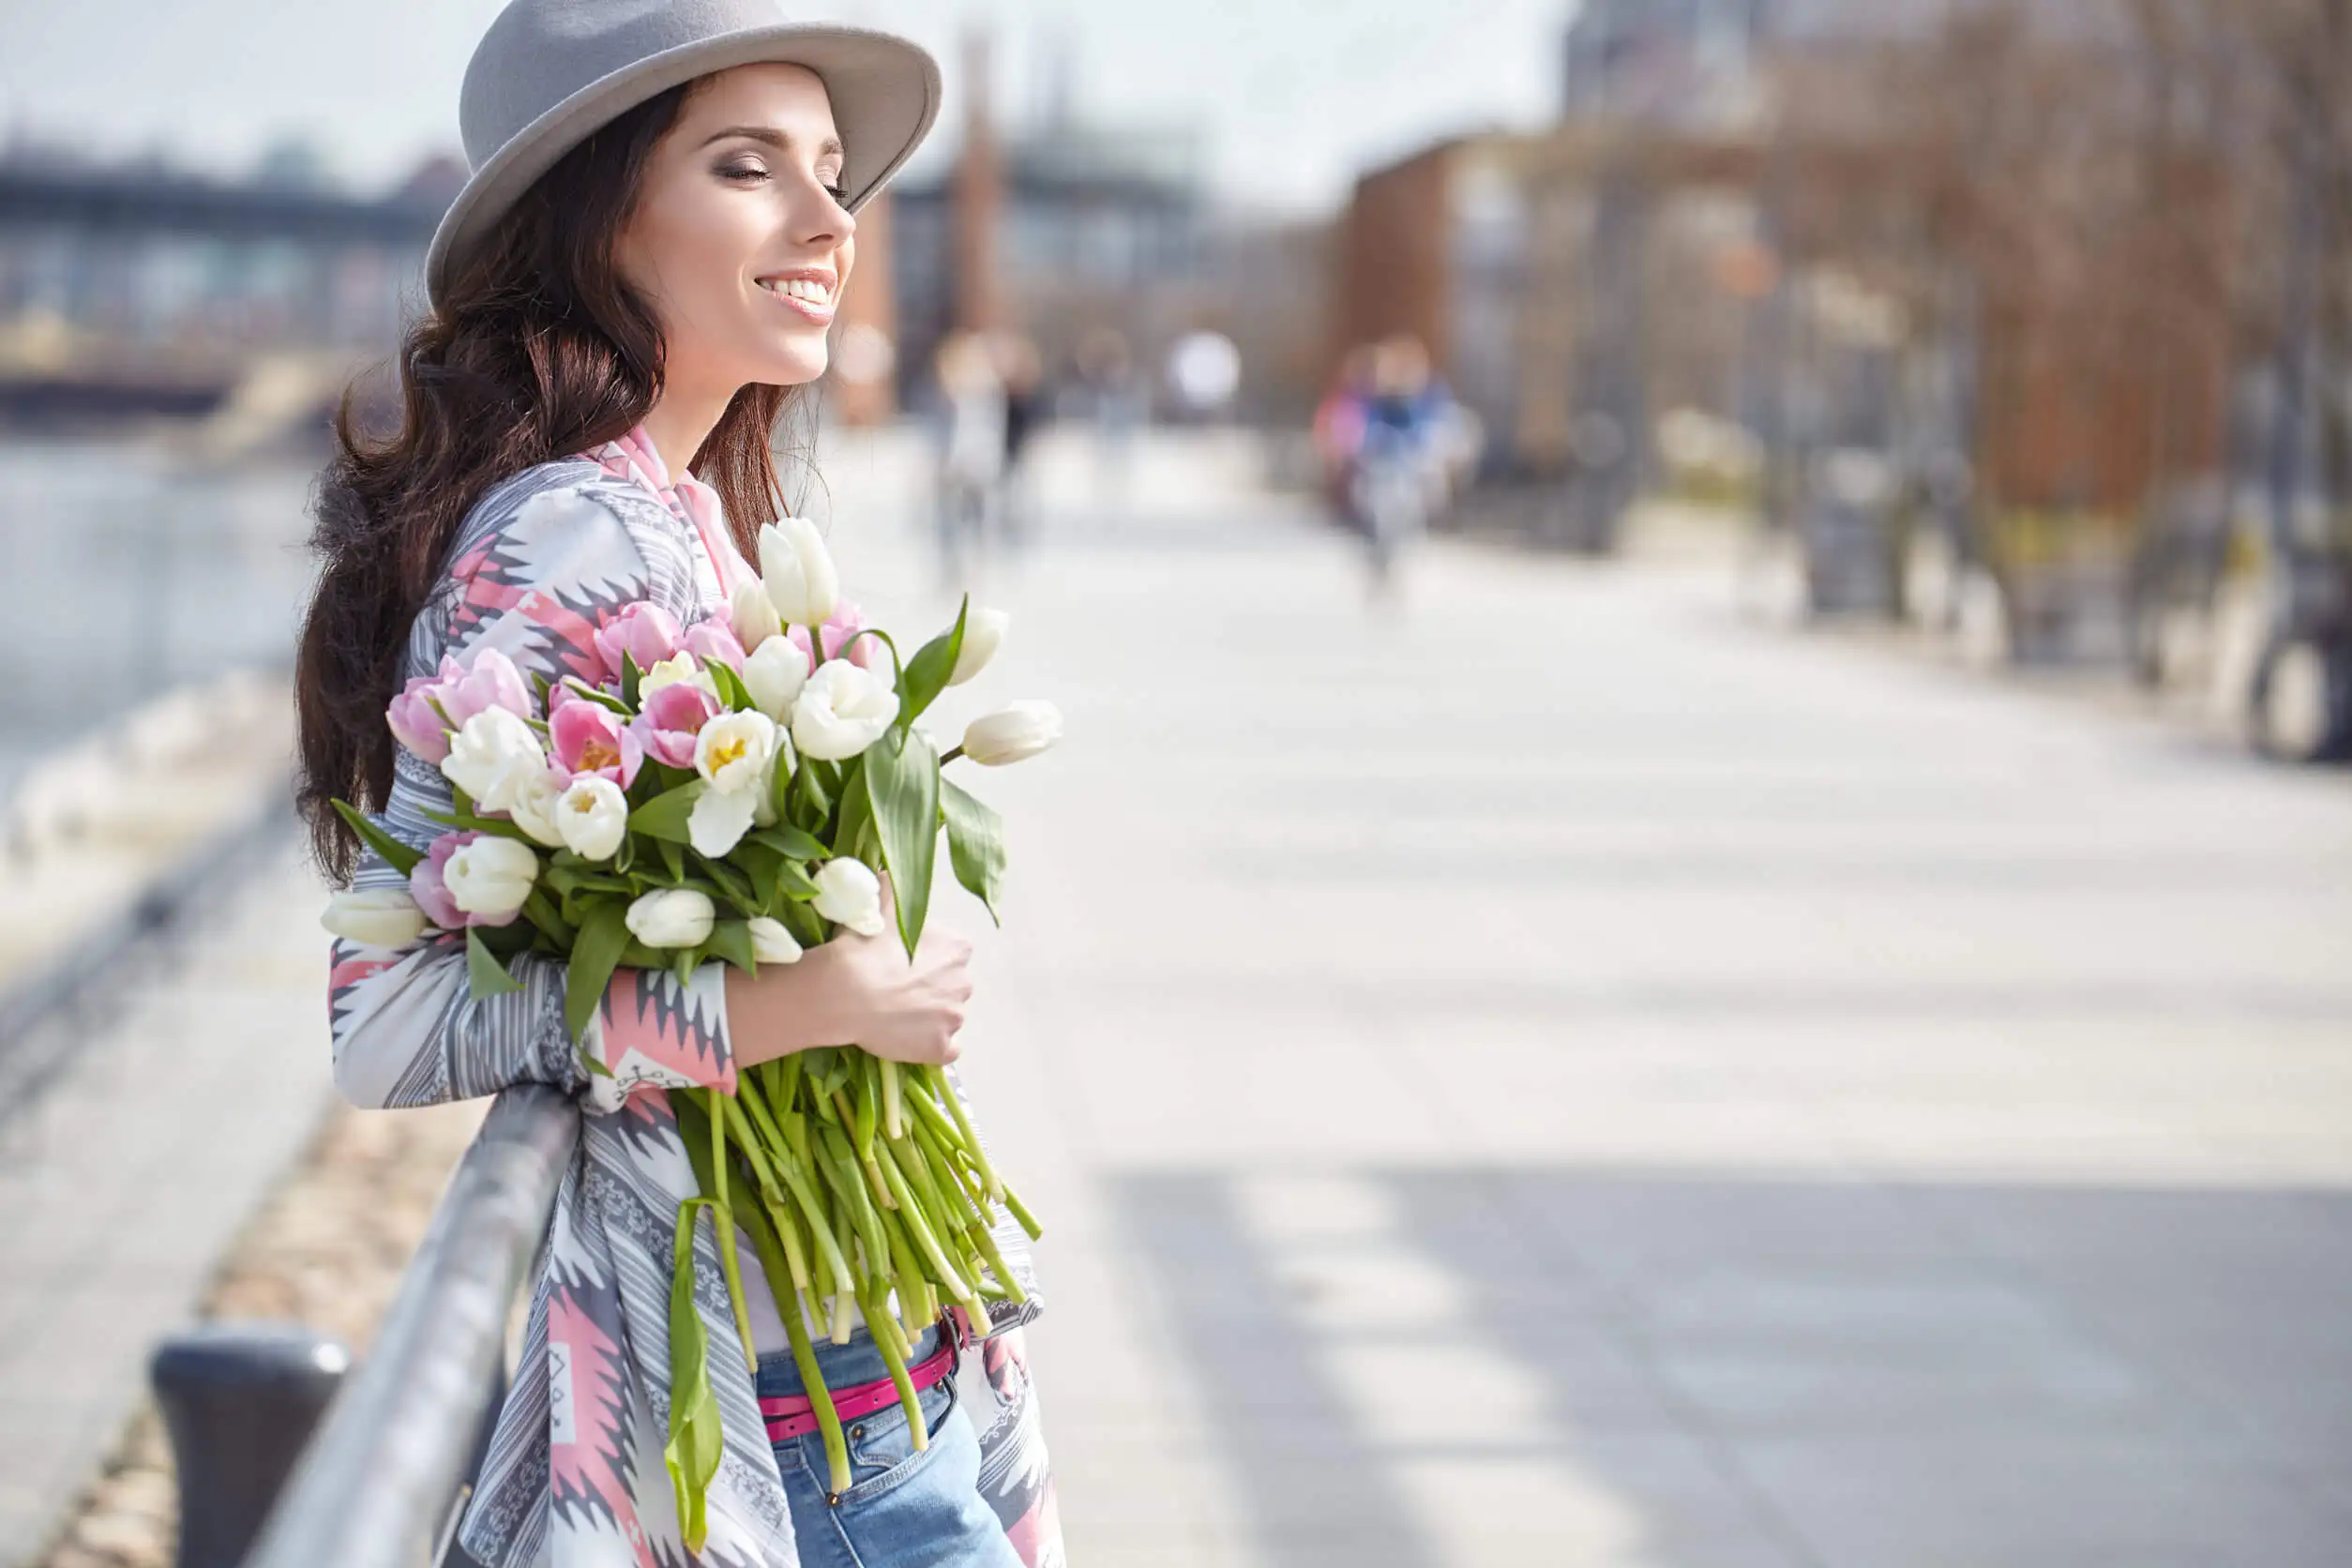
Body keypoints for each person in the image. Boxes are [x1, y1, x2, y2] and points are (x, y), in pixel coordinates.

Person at [293, 5, 1061, 1565]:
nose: (824, 222)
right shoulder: (576, 532)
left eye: (832, 174)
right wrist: (814, 1003)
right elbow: (381, 1022)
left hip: (884, 1381)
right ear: (599, 218)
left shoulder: (693, 513)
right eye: (744, 166)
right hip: (800, 1426)